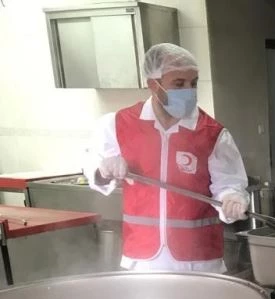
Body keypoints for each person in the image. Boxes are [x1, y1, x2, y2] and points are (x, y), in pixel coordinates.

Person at [85, 43, 250, 273]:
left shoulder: (211, 133)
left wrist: (232, 198)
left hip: (200, 263)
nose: (189, 91)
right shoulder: (119, 125)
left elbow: (229, 185)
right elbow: (93, 170)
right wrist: (104, 169)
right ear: (154, 84)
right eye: (179, 84)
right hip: (143, 262)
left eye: (193, 83)